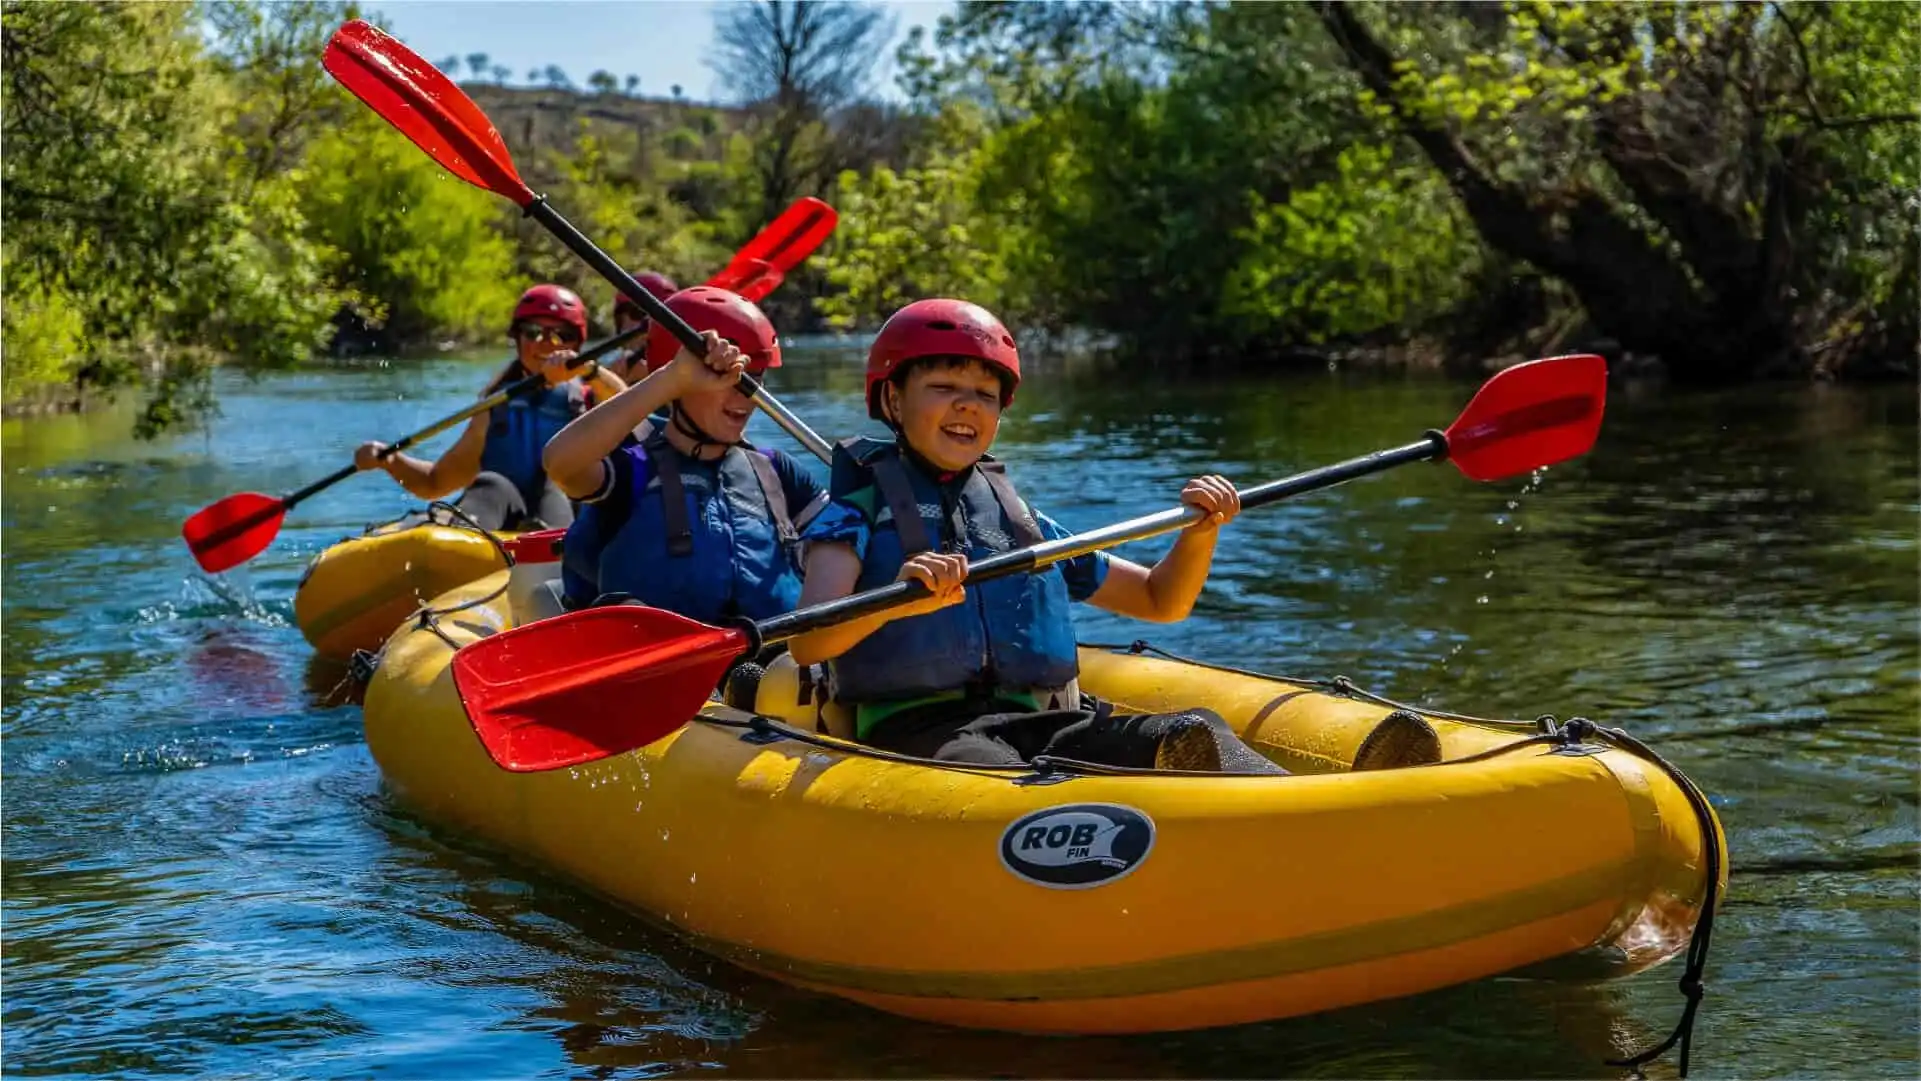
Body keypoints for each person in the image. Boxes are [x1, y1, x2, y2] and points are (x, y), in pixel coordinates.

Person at [788, 299, 1443, 774]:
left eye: (984, 394)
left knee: (1193, 731)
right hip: (922, 731)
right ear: (894, 401)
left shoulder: (1019, 521)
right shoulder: (854, 513)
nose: (967, 405)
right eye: (943, 386)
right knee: (1000, 776)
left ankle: (1318, 820)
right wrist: (903, 599)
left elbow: (1160, 601)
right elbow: (812, 638)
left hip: (1044, 717)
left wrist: (1200, 534)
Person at [543, 287, 826, 623]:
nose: (746, 396)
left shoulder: (777, 472)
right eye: (725, 378)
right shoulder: (633, 468)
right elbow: (559, 463)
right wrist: (672, 378)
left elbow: (852, 542)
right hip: (654, 667)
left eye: (755, 379)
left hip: (773, 664)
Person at [354, 284, 627, 532]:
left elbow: (633, 412)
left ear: (576, 344)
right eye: (533, 332)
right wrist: (390, 461)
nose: (547, 342)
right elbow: (435, 483)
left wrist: (590, 371)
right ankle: (463, 545)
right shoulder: (495, 406)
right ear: (518, 338)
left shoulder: (593, 396)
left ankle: (554, 551)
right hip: (500, 517)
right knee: (491, 483)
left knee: (552, 484)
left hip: (568, 520)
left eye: (561, 334)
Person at [607, 271, 679, 383]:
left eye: (638, 313)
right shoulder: (606, 377)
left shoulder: (692, 371)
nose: (628, 325)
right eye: (621, 318)